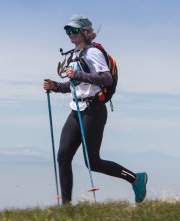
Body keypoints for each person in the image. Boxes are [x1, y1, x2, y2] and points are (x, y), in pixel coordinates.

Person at [43, 15, 148, 205]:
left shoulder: (92, 52)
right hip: (76, 110)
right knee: (63, 156)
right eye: (67, 31)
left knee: (93, 163)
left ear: (85, 32)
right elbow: (76, 86)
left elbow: (106, 78)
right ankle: (66, 207)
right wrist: (56, 86)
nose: (70, 34)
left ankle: (136, 178)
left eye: (74, 30)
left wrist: (78, 74)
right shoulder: (75, 54)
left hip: (94, 110)